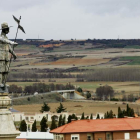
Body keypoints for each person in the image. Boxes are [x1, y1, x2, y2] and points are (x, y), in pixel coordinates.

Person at [0, 22, 17, 88]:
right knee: (1, 70)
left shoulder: (6, 37)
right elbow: (5, 41)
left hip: (6, 56)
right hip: (1, 56)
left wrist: (14, 54)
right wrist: (12, 42)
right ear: (4, 29)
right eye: (7, 29)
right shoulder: (1, 37)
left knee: (6, 71)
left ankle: (4, 83)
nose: (8, 30)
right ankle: (0, 83)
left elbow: (9, 47)